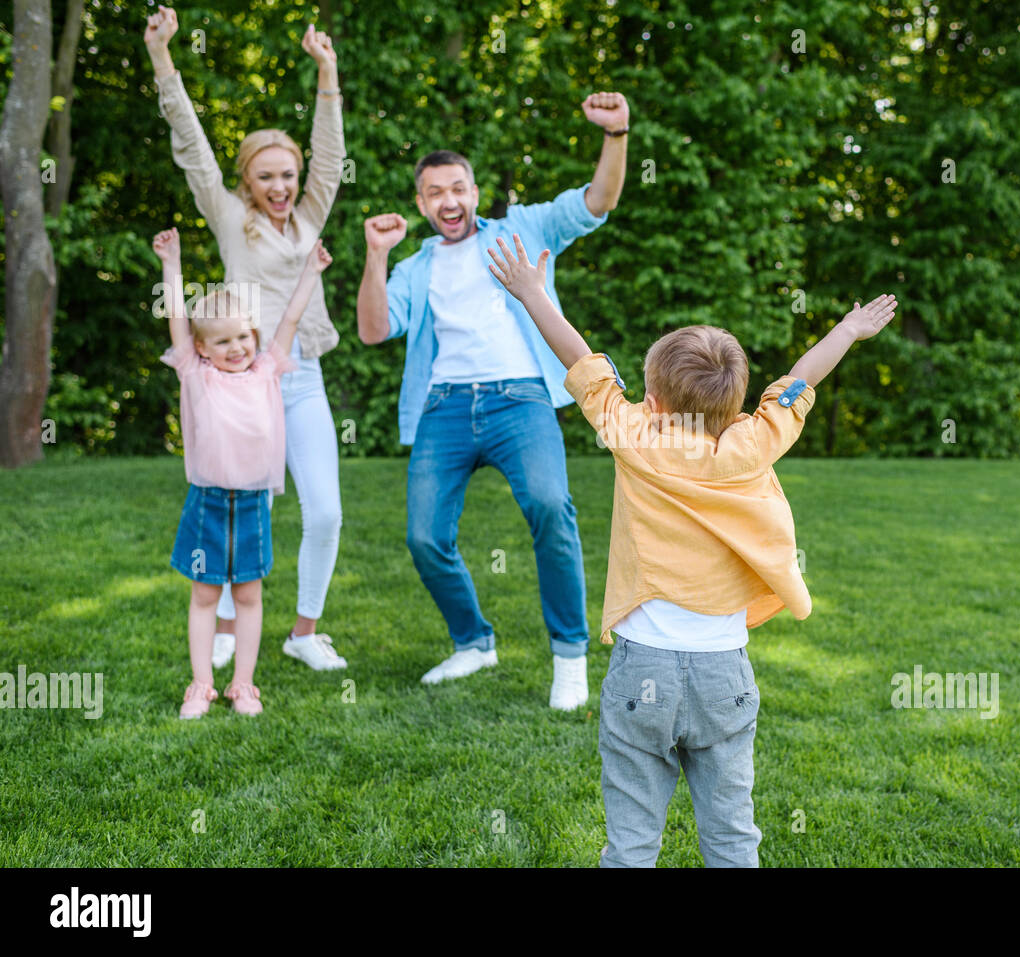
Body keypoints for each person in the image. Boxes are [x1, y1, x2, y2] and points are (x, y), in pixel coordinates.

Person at [486, 232, 898, 866]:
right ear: (736, 403)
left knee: (630, 842)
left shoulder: (631, 434)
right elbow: (797, 382)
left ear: (653, 401)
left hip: (640, 671)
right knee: (733, 836)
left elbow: (581, 360)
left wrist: (534, 295)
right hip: (723, 678)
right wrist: (846, 330)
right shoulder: (754, 443)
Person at [355, 92, 629, 709]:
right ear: (421, 203)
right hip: (444, 408)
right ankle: (473, 642)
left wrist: (616, 135)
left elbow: (599, 201)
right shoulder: (416, 265)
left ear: (475, 191)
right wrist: (376, 255)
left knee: (551, 508)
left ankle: (570, 655)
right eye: (434, 193)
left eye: (458, 188)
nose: (448, 201)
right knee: (425, 538)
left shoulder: (524, 228)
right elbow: (374, 329)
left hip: (520, 398)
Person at [145, 5, 348, 673]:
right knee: (238, 507)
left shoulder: (311, 212)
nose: (281, 186)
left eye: (288, 174)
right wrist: (162, 56)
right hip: (240, 383)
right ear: (247, 181)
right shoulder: (231, 219)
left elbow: (332, 154)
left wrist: (328, 72)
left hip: (302, 377)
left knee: (324, 512)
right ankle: (227, 622)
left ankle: (303, 631)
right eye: (267, 176)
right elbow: (193, 146)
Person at [154, 227, 334, 718]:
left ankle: (244, 685)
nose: (236, 347)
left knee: (249, 596)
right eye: (223, 341)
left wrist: (310, 272)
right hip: (207, 502)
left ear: (253, 336)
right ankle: (201, 684)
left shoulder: (267, 371)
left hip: (253, 504)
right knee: (205, 595)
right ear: (204, 349)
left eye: (243, 337)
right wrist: (172, 265)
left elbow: (292, 318)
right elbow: (176, 317)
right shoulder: (196, 375)